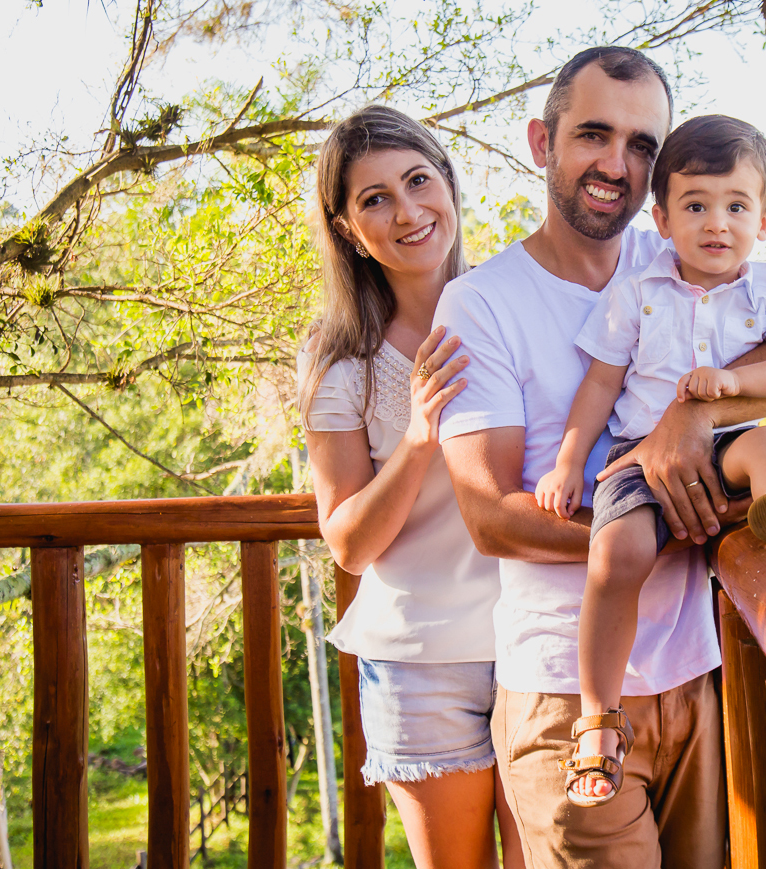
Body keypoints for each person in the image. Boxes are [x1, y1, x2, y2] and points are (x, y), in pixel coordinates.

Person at [434, 48, 766, 868]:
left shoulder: (687, 252)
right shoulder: (481, 303)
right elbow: (490, 519)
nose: (616, 164)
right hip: (567, 690)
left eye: (641, 146)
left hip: (696, 669)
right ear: (541, 141)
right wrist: (670, 524)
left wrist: (693, 415)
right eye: (594, 135)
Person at [534, 114, 766, 806]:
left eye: (736, 206)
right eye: (695, 206)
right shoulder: (638, 290)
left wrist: (735, 384)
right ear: (662, 219)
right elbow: (600, 382)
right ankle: (598, 718)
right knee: (616, 558)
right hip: (638, 455)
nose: (716, 223)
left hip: (732, 440)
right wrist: (570, 460)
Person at [297, 104, 523, 869]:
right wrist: (421, 438)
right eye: (374, 199)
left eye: (418, 180)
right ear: (346, 228)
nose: (407, 211)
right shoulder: (343, 362)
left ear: (450, 186)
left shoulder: (515, 309)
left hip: (539, 644)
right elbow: (350, 543)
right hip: (421, 663)